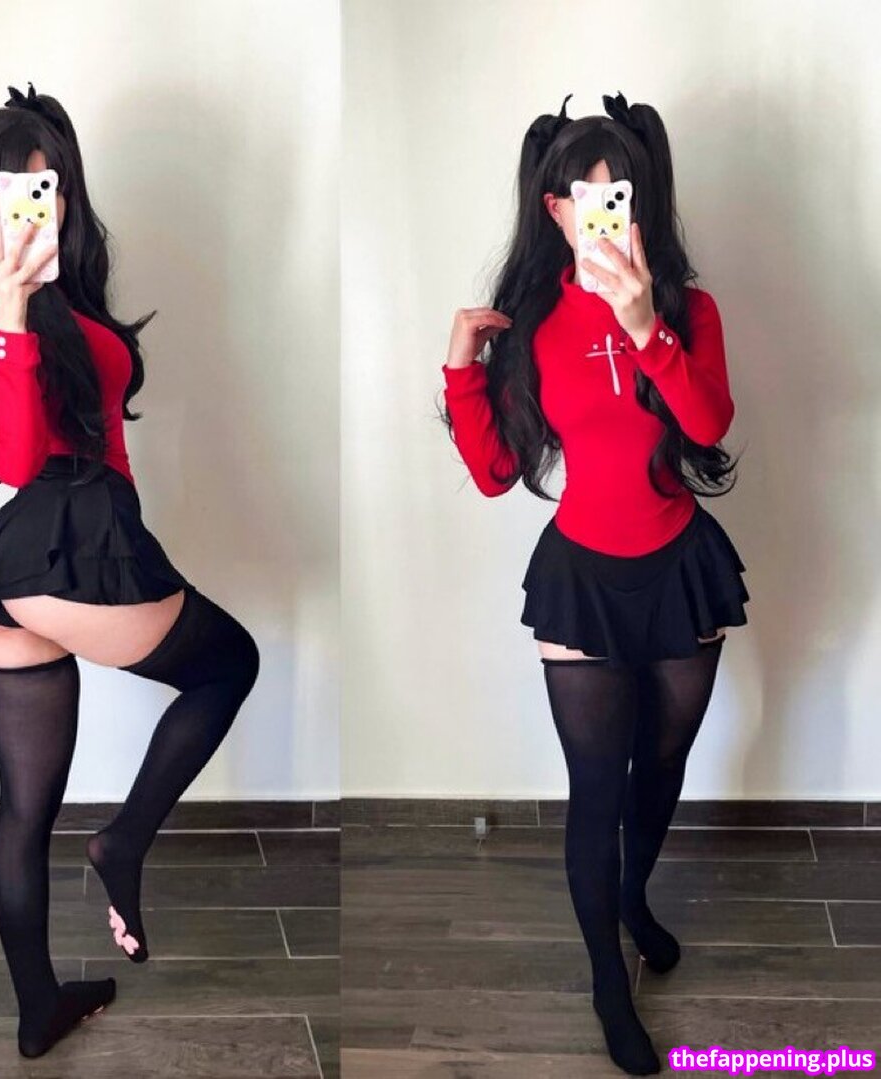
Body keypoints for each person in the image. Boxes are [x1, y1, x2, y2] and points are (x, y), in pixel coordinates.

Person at [0, 83, 260, 1059]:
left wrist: (36, 302)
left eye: (51, 183)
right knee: (230, 663)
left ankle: (40, 1010)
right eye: (17, 185)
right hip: (70, 532)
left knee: (26, 809)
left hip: (19, 568)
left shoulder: (57, 294)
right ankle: (122, 842)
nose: (41, 199)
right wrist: (15, 311)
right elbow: (19, 459)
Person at [439, 91, 749, 1076]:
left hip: (680, 566)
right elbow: (498, 472)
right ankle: (609, 984)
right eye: (587, 198)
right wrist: (460, 369)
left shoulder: (689, 309)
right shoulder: (532, 326)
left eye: (623, 197)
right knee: (595, 786)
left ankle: (633, 898)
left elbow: (707, 424)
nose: (606, 214)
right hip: (582, 576)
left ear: (643, 207)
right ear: (557, 210)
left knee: (661, 765)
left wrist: (647, 322)